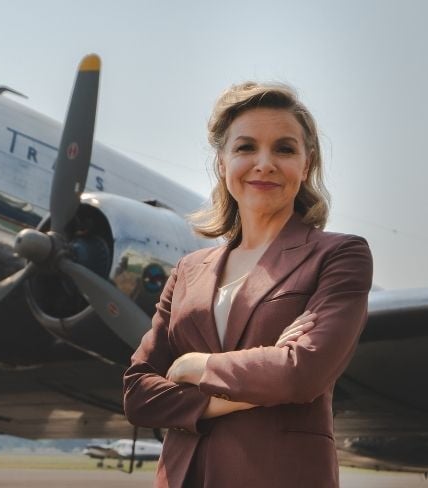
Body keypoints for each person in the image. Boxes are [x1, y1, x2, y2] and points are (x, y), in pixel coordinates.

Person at [122, 82, 372, 487]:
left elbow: (301, 374)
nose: (264, 162)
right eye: (245, 148)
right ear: (222, 162)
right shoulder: (187, 270)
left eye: (285, 149)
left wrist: (193, 366)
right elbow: (138, 395)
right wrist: (266, 370)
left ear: (306, 165)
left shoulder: (340, 256)